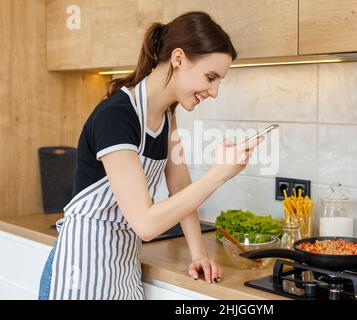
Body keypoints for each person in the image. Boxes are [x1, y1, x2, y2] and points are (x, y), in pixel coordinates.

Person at [38, 11, 263, 300]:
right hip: (80, 269)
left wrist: (199, 254)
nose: (214, 91)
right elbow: (145, 224)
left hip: (122, 267)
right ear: (178, 59)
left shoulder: (168, 118)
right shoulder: (116, 117)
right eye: (211, 77)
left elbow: (180, 186)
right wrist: (219, 173)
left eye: (219, 81)